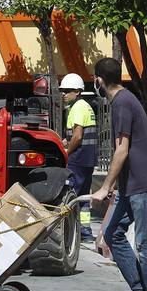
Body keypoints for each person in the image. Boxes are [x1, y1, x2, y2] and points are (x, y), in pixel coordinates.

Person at [92, 57, 147, 291]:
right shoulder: (121, 102)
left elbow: (121, 150)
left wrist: (105, 187)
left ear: (99, 81)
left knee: (145, 245)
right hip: (132, 185)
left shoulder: (122, 103)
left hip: (145, 185)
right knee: (112, 233)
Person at [58, 72, 97, 243]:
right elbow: (75, 135)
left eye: (67, 90)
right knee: (83, 198)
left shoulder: (78, 107)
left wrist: (67, 152)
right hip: (88, 159)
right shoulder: (85, 106)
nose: (63, 94)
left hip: (78, 159)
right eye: (62, 90)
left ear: (77, 91)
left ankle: (67, 231)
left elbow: (78, 136)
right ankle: (86, 232)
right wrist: (64, 141)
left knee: (70, 195)